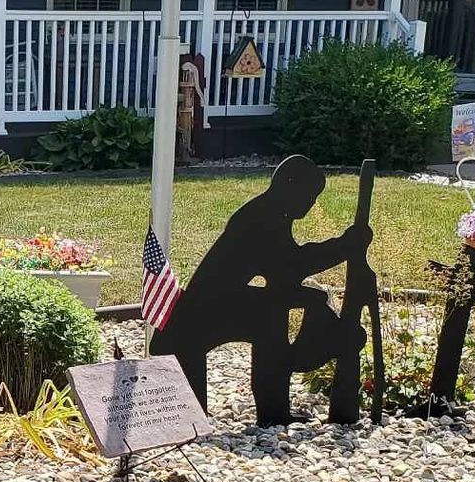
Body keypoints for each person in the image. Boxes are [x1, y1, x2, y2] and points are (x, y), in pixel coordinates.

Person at [149, 155, 371, 426]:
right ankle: (280, 397)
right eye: (310, 196)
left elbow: (282, 275)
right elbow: (292, 265)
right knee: (268, 319)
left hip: (218, 303)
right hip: (200, 315)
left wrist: (310, 291)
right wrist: (345, 246)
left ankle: (275, 408)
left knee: (270, 317)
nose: (312, 204)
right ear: (289, 185)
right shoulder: (261, 217)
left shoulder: (274, 213)